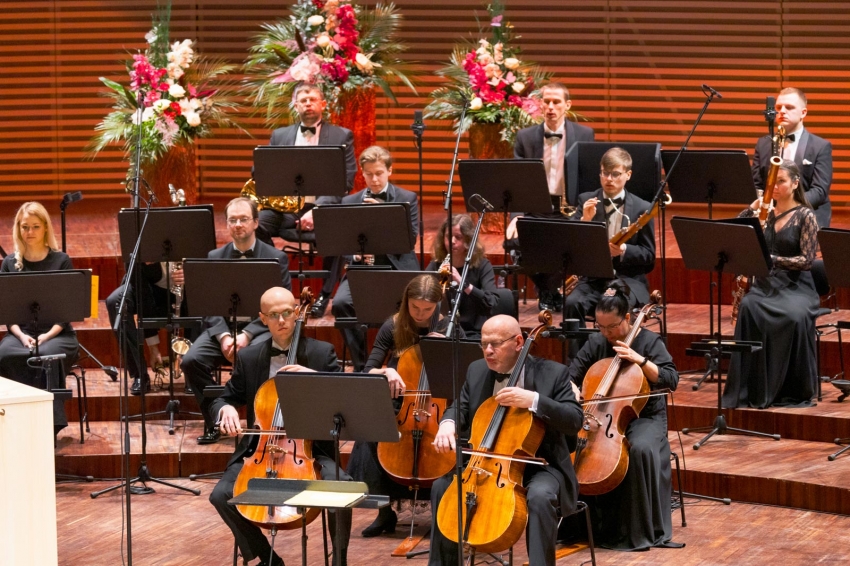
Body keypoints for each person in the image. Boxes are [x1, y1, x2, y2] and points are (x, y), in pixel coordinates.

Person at [209, 286, 351, 566]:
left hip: (311, 450)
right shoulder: (250, 358)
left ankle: (339, 561)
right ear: (263, 319)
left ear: (297, 312)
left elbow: (344, 401)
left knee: (342, 488)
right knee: (221, 495)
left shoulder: (322, 353)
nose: (282, 320)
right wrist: (225, 408)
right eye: (274, 315)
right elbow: (224, 398)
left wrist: (315, 377)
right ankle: (269, 559)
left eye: (287, 312)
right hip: (261, 450)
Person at [429, 314, 583, 566]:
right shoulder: (477, 370)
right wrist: (448, 423)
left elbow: (574, 419)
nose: (488, 351)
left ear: (518, 342)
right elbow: (460, 407)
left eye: (496, 344)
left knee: (540, 497)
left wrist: (534, 400)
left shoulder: (553, 373)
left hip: (540, 464)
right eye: (484, 344)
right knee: (442, 487)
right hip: (487, 463)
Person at [568, 281, 680, 550]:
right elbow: (570, 375)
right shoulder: (596, 342)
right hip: (601, 415)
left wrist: (640, 360)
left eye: (612, 327)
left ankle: (635, 531)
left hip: (645, 417)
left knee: (638, 449)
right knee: (570, 443)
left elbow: (671, 378)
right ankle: (581, 525)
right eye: (601, 326)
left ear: (627, 318)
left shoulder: (649, 341)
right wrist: (572, 388)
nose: (606, 333)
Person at [181, 197, 291, 444]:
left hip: (261, 329)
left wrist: (246, 334)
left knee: (254, 358)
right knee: (191, 361)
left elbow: (281, 306)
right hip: (222, 330)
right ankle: (216, 420)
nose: (238, 224)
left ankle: (257, 428)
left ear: (255, 223)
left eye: (243, 219)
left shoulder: (275, 257)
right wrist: (223, 336)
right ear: (227, 224)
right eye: (233, 220)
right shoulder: (214, 256)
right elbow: (208, 305)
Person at [346, 274, 446, 537]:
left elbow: (461, 375)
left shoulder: (449, 327)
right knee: (371, 430)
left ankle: (443, 511)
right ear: (406, 302)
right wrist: (386, 371)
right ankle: (383, 511)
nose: (420, 314)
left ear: (437, 305)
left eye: (427, 309)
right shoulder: (393, 326)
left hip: (437, 402)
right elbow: (368, 370)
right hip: (401, 403)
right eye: (415, 307)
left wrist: (445, 346)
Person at [723, 159, 820, 409]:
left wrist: (773, 259)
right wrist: (753, 207)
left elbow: (806, 261)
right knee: (749, 306)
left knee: (794, 316)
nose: (775, 187)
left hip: (797, 287)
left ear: (795, 183)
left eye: (781, 181)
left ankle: (791, 389)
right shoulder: (765, 213)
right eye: (771, 182)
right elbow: (735, 228)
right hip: (767, 284)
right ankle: (750, 388)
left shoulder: (806, 216)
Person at [259, 83, 358, 317]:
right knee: (258, 222)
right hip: (287, 209)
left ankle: (324, 295)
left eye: (313, 99)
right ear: (295, 106)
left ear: (323, 104)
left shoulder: (341, 135)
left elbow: (346, 179)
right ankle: (279, 287)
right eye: (303, 101)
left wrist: (318, 209)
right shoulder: (280, 136)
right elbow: (263, 172)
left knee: (339, 229)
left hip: (324, 208)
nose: (308, 104)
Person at [329, 145, 419, 371]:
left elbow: (410, 240)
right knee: (341, 304)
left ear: (390, 170)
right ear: (362, 173)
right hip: (363, 270)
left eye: (379, 173)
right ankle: (362, 366)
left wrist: (383, 214)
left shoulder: (407, 198)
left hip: (396, 267)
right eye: (369, 174)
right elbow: (343, 242)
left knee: (407, 305)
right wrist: (355, 254)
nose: (374, 179)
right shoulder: (350, 202)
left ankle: (398, 364)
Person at [509, 81, 595, 311]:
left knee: (571, 243)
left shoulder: (585, 134)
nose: (550, 107)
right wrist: (516, 216)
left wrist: (585, 213)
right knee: (515, 241)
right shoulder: (525, 137)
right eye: (546, 101)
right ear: (540, 104)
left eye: (556, 102)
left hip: (569, 208)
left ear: (567, 105)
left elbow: (587, 178)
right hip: (536, 208)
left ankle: (549, 291)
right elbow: (518, 181)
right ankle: (549, 290)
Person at [0, 202, 79, 436]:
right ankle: (14, 423)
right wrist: (22, 336)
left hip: (57, 334)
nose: (30, 232)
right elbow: (7, 312)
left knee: (47, 356)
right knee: (4, 355)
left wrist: (46, 336)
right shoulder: (9, 264)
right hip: (21, 334)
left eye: (35, 226)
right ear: (18, 229)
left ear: (45, 228)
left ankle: (48, 427)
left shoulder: (61, 261)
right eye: (25, 227)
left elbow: (66, 313)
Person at [566, 147, 655, 355]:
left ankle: (621, 360)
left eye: (615, 174)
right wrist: (585, 221)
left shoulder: (642, 208)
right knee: (572, 303)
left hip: (628, 281)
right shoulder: (585, 201)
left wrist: (624, 250)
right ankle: (578, 361)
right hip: (593, 280)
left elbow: (649, 256)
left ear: (628, 175)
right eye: (605, 173)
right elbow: (571, 248)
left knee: (616, 305)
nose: (609, 179)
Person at [752, 87, 832, 228]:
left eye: (789, 107)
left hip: (807, 211)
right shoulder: (763, 144)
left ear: (803, 113)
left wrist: (789, 207)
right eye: (778, 107)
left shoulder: (820, 146)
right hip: (771, 212)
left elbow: (819, 190)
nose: (782, 111)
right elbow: (757, 184)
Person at [106, 261, 183, 395]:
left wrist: (192, 273)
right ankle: (139, 374)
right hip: (151, 291)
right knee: (116, 302)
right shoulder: (139, 249)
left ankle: (197, 372)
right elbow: (143, 295)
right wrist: (153, 347)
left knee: (202, 293)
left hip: (188, 289)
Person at [426, 214, 498, 338]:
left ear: (468, 240)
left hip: (473, 334)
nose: (452, 241)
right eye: (448, 236)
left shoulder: (482, 266)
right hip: (443, 331)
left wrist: (462, 282)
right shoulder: (436, 265)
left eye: (458, 237)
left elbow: (491, 303)